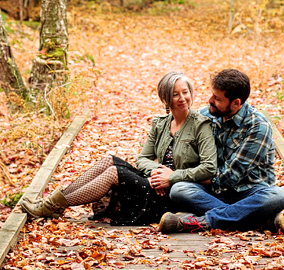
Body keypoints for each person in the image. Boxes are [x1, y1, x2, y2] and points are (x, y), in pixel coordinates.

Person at [21, 71, 216, 225]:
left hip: (173, 194)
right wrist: (157, 174)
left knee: (114, 172)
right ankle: (51, 205)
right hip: (155, 184)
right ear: (166, 99)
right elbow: (142, 159)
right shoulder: (161, 123)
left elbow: (209, 168)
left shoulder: (201, 125)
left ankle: (49, 207)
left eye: (185, 92)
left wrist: (171, 177)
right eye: (175, 94)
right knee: (109, 160)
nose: (182, 98)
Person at [158, 68, 284, 233]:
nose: (210, 100)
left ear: (236, 103)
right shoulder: (206, 115)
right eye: (212, 94)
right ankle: (257, 219)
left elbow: (229, 178)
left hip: (249, 191)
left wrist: (176, 175)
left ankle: (203, 221)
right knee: (179, 190)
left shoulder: (258, 126)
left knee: (278, 196)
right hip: (213, 192)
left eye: (217, 98)